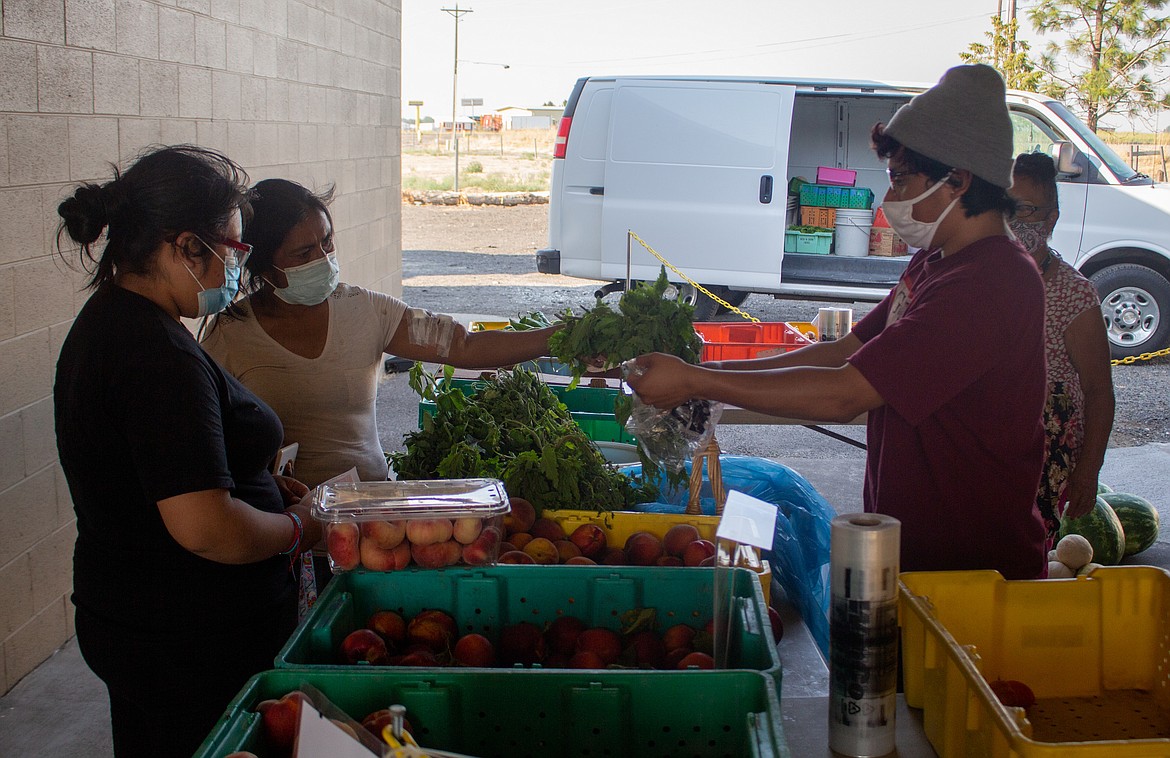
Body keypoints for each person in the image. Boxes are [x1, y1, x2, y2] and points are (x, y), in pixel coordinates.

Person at [625, 65, 1049, 579]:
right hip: (914, 547)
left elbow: (846, 392)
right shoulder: (936, 260)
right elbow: (843, 350)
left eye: (901, 180)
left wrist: (696, 381)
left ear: (957, 180)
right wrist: (709, 379)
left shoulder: (990, 282)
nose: (890, 198)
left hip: (971, 568)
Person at [54, 145, 322, 757]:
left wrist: (248, 473)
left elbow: (153, 470)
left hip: (143, 621)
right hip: (182, 639)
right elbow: (205, 528)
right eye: (233, 247)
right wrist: (295, 526)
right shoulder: (152, 355)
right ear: (184, 247)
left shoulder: (118, 322)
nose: (240, 263)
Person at [201, 178, 560, 489]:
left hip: (371, 516)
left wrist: (557, 337)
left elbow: (463, 346)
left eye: (327, 242)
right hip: (285, 527)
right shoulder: (231, 335)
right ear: (264, 263)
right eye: (304, 252)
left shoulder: (367, 310)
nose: (323, 258)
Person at [1008, 152, 1115, 542]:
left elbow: (1099, 391)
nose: (1015, 222)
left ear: (1051, 218)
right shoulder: (981, 279)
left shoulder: (1073, 294)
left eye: (1027, 210)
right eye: (1005, 207)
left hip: (1044, 461)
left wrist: (1089, 471)